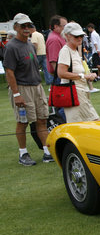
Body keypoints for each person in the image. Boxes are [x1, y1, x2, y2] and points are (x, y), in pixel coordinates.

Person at [4, 13, 52, 166]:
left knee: (42, 119)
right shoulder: (11, 47)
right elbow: (9, 72)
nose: (26, 28)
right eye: (23, 26)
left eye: (28, 25)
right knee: (23, 121)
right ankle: (23, 153)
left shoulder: (30, 44)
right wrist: (17, 94)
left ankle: (47, 151)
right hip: (22, 88)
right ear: (15, 27)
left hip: (36, 86)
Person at [56, 22, 99, 123]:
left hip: (80, 92)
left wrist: (87, 76)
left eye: (81, 35)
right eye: (76, 36)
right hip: (74, 93)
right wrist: (84, 76)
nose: (80, 38)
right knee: (93, 121)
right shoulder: (65, 51)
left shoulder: (74, 50)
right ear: (67, 36)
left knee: (86, 123)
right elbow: (61, 73)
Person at [46, 15, 67, 85]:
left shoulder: (60, 37)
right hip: (60, 77)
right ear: (55, 26)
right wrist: (61, 77)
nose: (66, 28)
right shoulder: (54, 39)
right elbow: (53, 61)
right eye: (64, 26)